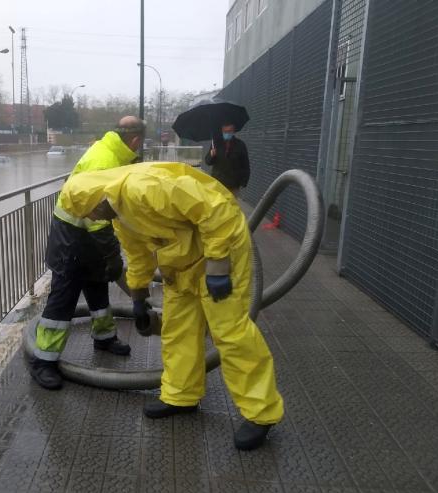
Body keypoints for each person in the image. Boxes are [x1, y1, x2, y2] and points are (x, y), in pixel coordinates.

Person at [56, 161, 284, 450]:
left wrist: (217, 266)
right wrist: (138, 298)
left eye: (87, 211)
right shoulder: (119, 215)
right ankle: (181, 395)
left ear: (96, 199)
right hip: (182, 262)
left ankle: (262, 413)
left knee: (230, 332)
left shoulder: (145, 188)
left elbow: (217, 210)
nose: (90, 217)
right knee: (178, 329)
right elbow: (138, 255)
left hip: (221, 251)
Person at [28, 116, 147, 390]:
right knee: (64, 296)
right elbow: (97, 218)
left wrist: (108, 260)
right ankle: (43, 361)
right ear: (136, 140)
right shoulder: (105, 159)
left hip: (87, 231)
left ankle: (104, 337)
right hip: (72, 234)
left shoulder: (113, 152)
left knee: (97, 283)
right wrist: (114, 255)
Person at [204, 123, 250, 195]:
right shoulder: (216, 143)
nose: (227, 133)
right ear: (222, 131)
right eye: (225, 131)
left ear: (233, 131)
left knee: (230, 205)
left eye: (229, 131)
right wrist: (211, 155)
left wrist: (243, 183)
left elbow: (245, 165)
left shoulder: (240, 145)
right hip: (217, 183)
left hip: (233, 185)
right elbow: (207, 162)